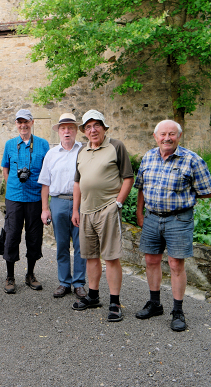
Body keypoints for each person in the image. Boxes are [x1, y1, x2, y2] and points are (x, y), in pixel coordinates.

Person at [134, 119, 211, 331]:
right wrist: (139, 212)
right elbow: (140, 187)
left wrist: (184, 197)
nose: (167, 138)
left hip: (179, 219)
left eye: (171, 134)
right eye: (163, 134)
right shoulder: (148, 157)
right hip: (152, 218)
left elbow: (208, 190)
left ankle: (178, 310)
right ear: (156, 137)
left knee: (175, 264)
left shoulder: (192, 160)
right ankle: (155, 303)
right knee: (151, 260)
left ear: (179, 136)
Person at [71, 109, 134, 322]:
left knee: (111, 256)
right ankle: (93, 296)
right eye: (88, 127)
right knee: (91, 256)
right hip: (86, 211)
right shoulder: (82, 151)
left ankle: (115, 302)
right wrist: (75, 210)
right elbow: (78, 183)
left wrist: (118, 203)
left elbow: (128, 177)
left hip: (108, 208)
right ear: (84, 131)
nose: (92, 130)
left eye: (96, 125)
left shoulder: (116, 146)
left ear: (104, 127)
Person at [38, 113, 87, 298]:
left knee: (81, 245)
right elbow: (45, 183)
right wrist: (45, 208)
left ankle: (79, 283)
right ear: (59, 132)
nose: (67, 131)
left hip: (80, 203)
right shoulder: (51, 154)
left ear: (76, 131)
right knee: (62, 245)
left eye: (70, 128)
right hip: (57, 202)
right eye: (63, 128)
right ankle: (64, 282)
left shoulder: (83, 151)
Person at [1, 109, 50, 294]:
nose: (23, 125)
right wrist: (12, 185)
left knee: (34, 237)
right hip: (14, 198)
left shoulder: (43, 144)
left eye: (26, 122)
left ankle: (30, 274)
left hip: (35, 197)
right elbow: (5, 169)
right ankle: (10, 276)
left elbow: (47, 172)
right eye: (19, 122)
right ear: (16, 124)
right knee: (12, 236)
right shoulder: (10, 144)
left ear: (32, 122)